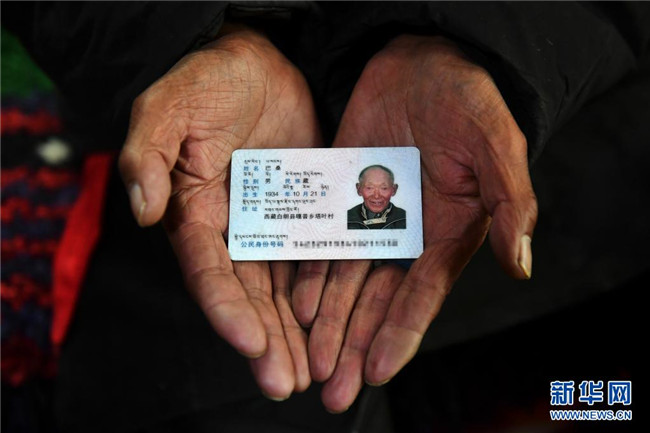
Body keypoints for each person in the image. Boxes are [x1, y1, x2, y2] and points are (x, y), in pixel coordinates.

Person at [3, 2, 649, 431]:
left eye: (380, 191)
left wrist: (495, 47)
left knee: (594, 399)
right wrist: (177, 37)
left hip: (574, 167)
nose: (376, 198)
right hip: (210, 209)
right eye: (370, 191)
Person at [347, 165, 406, 230]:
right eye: (369, 188)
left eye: (384, 188)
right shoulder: (347, 218)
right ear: (359, 189)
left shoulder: (404, 218)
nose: (376, 196)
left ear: (394, 190)